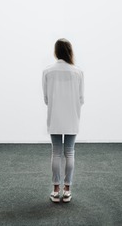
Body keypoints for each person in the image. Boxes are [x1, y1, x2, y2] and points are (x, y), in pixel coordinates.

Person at [42, 38, 84, 203]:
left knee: (56, 153)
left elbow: (46, 98)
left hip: (55, 117)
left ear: (56, 51)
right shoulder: (78, 71)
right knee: (70, 152)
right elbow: (81, 98)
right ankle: (67, 189)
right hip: (72, 116)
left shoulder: (47, 71)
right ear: (69, 51)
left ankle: (55, 189)